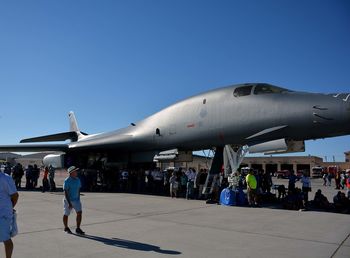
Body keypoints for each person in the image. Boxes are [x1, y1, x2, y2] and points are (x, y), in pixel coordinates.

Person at [0, 167, 19, 258]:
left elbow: (15, 195)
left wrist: (9, 208)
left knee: (6, 238)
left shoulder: (5, 178)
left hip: (2, 214)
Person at [63, 166, 85, 235]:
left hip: (76, 200)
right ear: (71, 172)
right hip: (68, 200)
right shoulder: (67, 181)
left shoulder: (78, 179)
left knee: (79, 213)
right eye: (75, 171)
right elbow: (66, 192)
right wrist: (69, 203)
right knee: (66, 214)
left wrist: (78, 199)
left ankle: (78, 228)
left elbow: (78, 189)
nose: (76, 172)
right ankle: (66, 227)